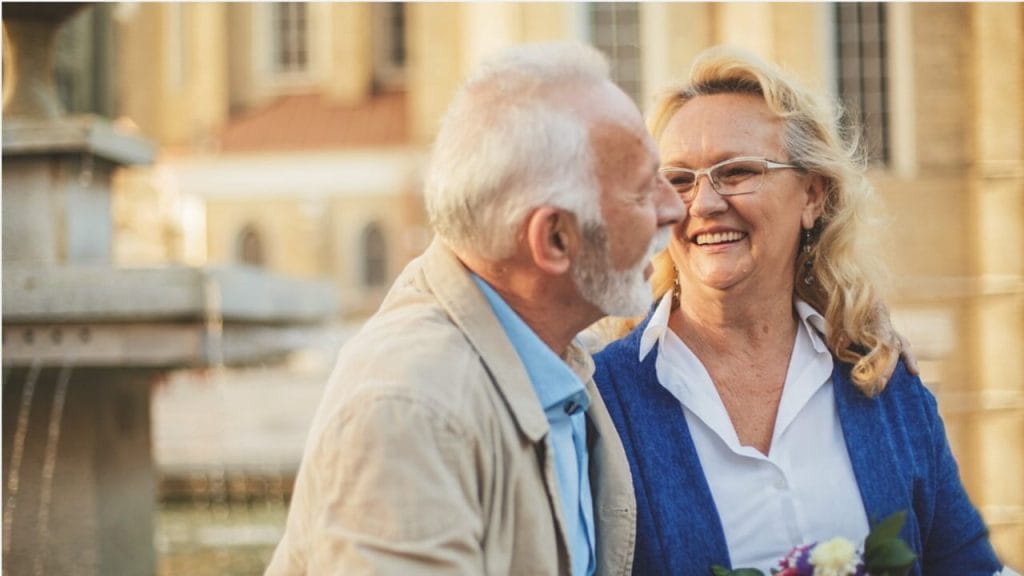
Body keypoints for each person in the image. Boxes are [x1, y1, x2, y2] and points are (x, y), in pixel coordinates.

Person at [265, 41, 685, 575]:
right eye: (644, 190)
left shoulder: (555, 351)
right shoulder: (411, 410)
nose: (676, 208)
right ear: (555, 238)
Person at [593, 46, 1006, 575]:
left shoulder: (884, 385)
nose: (703, 203)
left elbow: (967, 565)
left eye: (737, 170)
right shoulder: (604, 401)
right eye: (678, 180)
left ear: (812, 195)